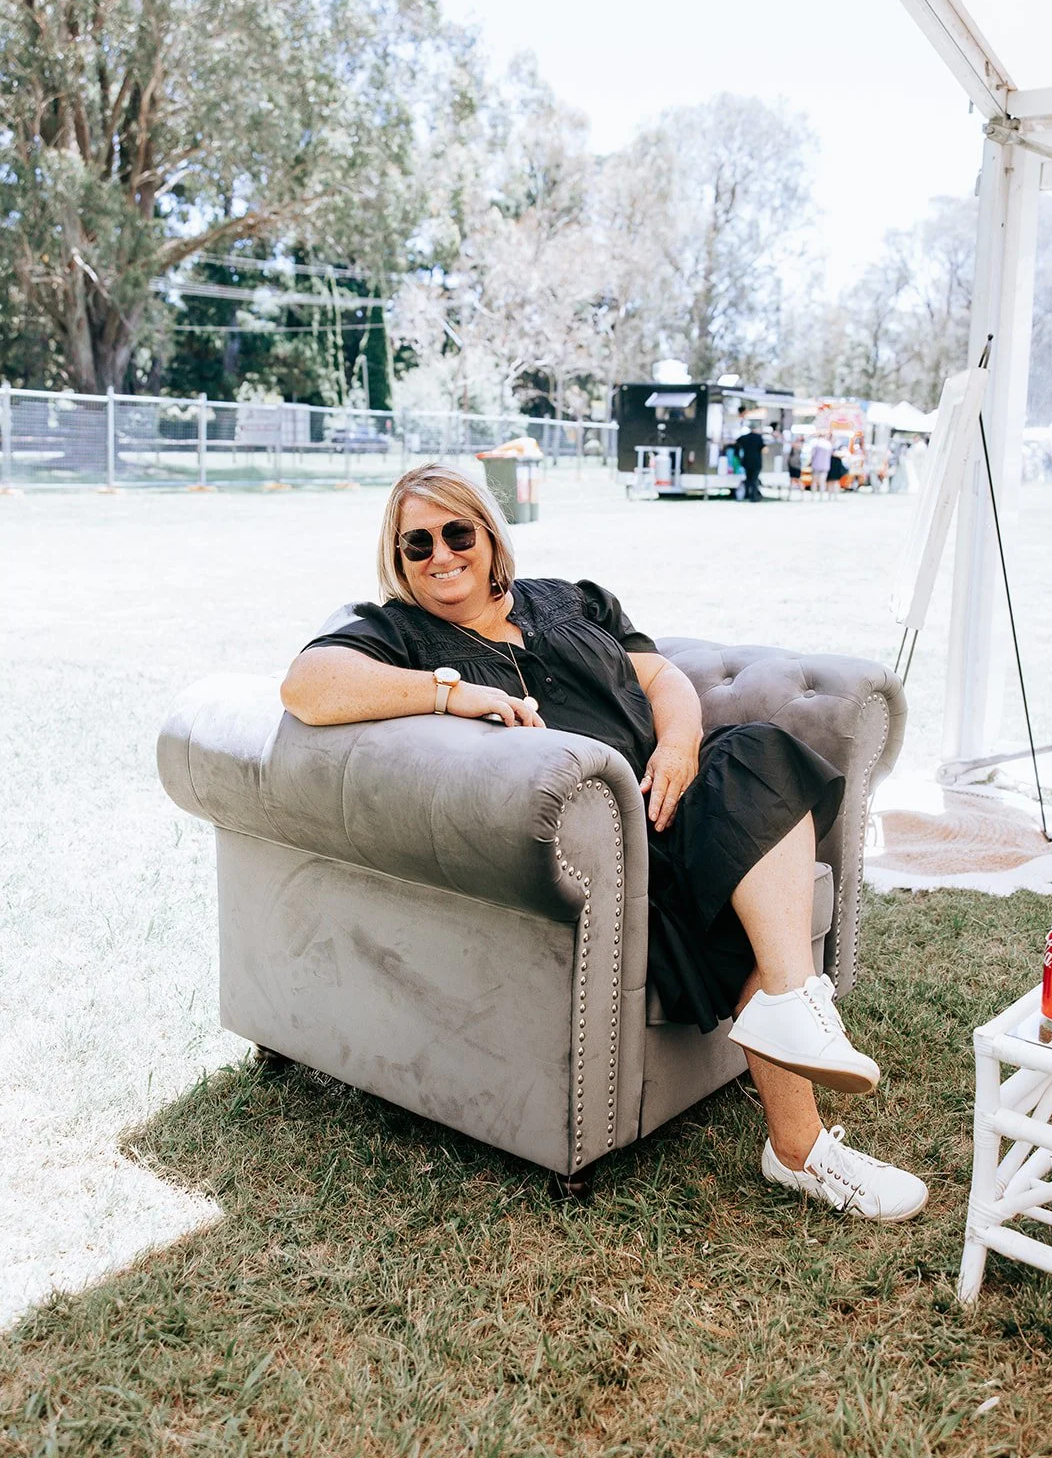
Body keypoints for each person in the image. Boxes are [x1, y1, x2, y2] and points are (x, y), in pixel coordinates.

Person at [281, 464, 928, 1221]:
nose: (440, 556)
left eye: (456, 533)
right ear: (398, 556)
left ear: (488, 535)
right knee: (754, 901)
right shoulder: (396, 630)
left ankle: (789, 1005)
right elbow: (308, 685)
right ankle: (800, 1146)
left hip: (675, 800)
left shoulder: (569, 599)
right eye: (416, 543)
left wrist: (681, 745)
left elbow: (660, 680)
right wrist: (451, 692)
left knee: (754, 747)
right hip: (607, 857)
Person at [734, 424, 765, 502]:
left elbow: (736, 443)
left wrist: (737, 455)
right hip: (756, 461)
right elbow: (763, 448)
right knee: (754, 479)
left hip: (746, 461)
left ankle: (747, 494)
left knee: (748, 479)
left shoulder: (744, 437)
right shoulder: (758, 437)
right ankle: (754, 496)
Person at [809, 433, 832, 498]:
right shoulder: (828, 444)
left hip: (816, 465)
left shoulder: (816, 443)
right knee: (822, 481)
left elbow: (812, 454)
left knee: (814, 481)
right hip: (825, 465)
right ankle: (821, 496)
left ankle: (813, 496)